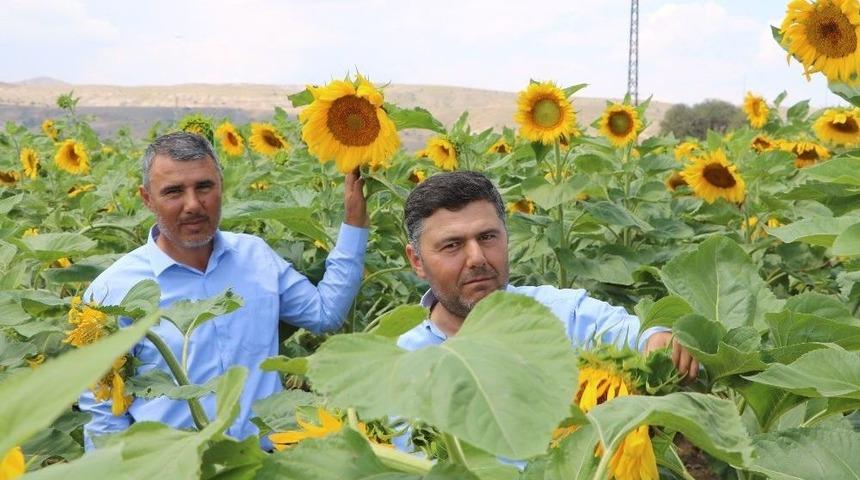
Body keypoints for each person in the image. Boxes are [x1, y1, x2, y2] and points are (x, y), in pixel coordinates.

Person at [78, 132, 369, 450]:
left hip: (268, 463)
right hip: (179, 467)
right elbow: (101, 410)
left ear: (221, 185)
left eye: (204, 187)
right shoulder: (112, 291)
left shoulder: (255, 257)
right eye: (174, 192)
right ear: (147, 198)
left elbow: (324, 314)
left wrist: (354, 222)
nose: (193, 205)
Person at [397, 171, 698, 378]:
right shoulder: (400, 363)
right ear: (417, 261)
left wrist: (657, 337)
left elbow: (630, 331)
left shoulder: (560, 315)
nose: (477, 258)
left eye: (488, 237)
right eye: (452, 245)